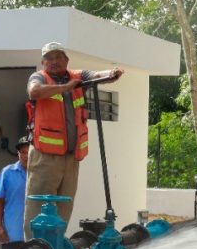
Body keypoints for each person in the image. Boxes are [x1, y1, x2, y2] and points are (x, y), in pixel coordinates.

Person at [24, 41, 123, 236]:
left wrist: (111, 74)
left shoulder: (78, 76)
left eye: (58, 57)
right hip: (44, 158)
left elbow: (95, 75)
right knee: (38, 207)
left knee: (64, 206)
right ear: (43, 63)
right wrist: (66, 87)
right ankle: (34, 248)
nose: (54, 61)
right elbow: (34, 91)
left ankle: (58, 246)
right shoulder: (39, 77)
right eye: (49, 58)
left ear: (66, 60)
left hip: (71, 158)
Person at [0, 135, 30, 249]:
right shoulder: (7, 172)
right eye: (23, 152)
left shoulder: (39, 174)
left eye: (29, 152)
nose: (26, 156)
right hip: (12, 233)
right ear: (18, 153)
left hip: (34, 234)